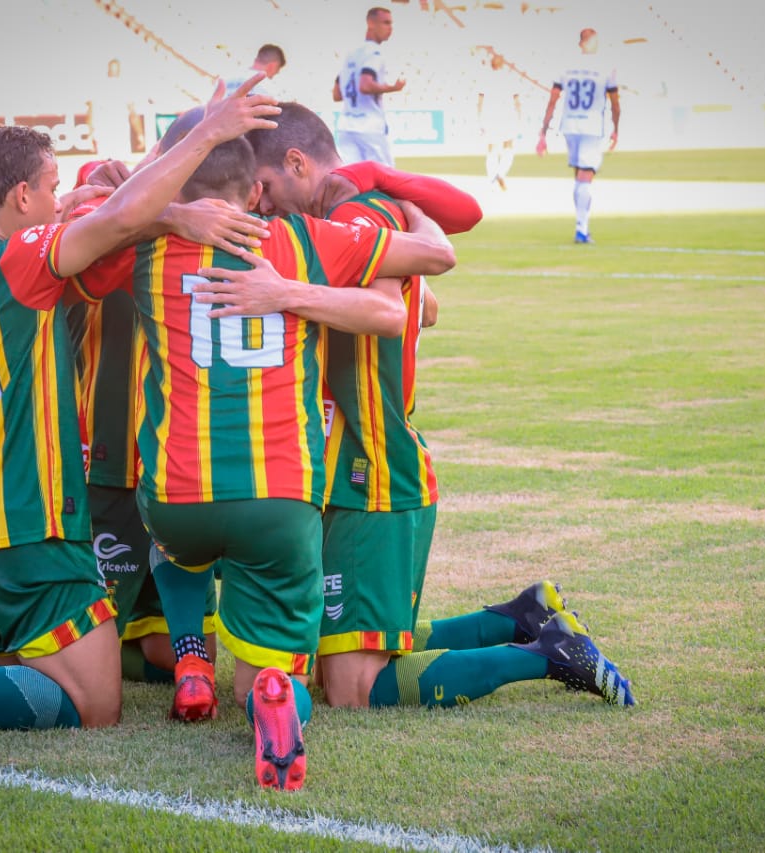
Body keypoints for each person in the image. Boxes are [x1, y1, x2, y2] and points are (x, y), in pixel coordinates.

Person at [0, 79, 281, 736]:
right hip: (24, 522)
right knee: (94, 703)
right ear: (20, 197)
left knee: (11, 657)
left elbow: (109, 229)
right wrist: (205, 136)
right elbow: (116, 220)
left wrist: (169, 163)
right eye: (50, 188)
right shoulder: (18, 263)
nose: (58, 200)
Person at [67, 121, 458, 789]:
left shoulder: (145, 247)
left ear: (178, 185)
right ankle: (273, 694)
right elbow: (433, 260)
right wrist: (406, 205)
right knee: (269, 666)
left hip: (175, 497)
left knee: (175, 545)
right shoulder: (304, 238)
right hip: (281, 502)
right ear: (254, 191)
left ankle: (192, 656)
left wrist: (163, 210)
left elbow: (87, 220)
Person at [240, 103, 635, 712]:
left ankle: (547, 655)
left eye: (264, 187)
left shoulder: (354, 216)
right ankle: (520, 616)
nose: (261, 204)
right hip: (365, 454)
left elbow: (394, 312)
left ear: (297, 163)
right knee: (341, 652)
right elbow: (428, 307)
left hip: (372, 464)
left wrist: (286, 294)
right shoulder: (365, 213)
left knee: (350, 688)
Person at [535, 27, 620, 244]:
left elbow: (553, 99)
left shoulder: (566, 66)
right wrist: (615, 128)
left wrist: (543, 132)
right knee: (585, 178)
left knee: (579, 177)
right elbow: (615, 103)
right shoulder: (606, 67)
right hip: (592, 127)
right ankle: (582, 229)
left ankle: (581, 225)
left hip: (570, 126)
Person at [333, 7, 406, 165]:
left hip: (346, 126)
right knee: (385, 180)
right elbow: (365, 86)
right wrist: (394, 87)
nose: (390, 28)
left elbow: (337, 95)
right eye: (386, 22)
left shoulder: (350, 55)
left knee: (352, 180)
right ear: (370, 23)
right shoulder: (375, 53)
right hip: (370, 127)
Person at [477, 52, 523, 191]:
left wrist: (479, 119)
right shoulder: (509, 78)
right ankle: (501, 173)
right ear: (502, 64)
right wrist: (519, 117)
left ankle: (492, 177)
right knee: (508, 146)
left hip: (490, 116)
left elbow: (480, 101)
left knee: (491, 148)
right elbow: (517, 101)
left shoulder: (485, 78)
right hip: (506, 116)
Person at [222, 44, 287, 99]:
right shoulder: (270, 89)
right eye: (277, 69)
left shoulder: (226, 79)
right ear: (272, 66)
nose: (277, 73)